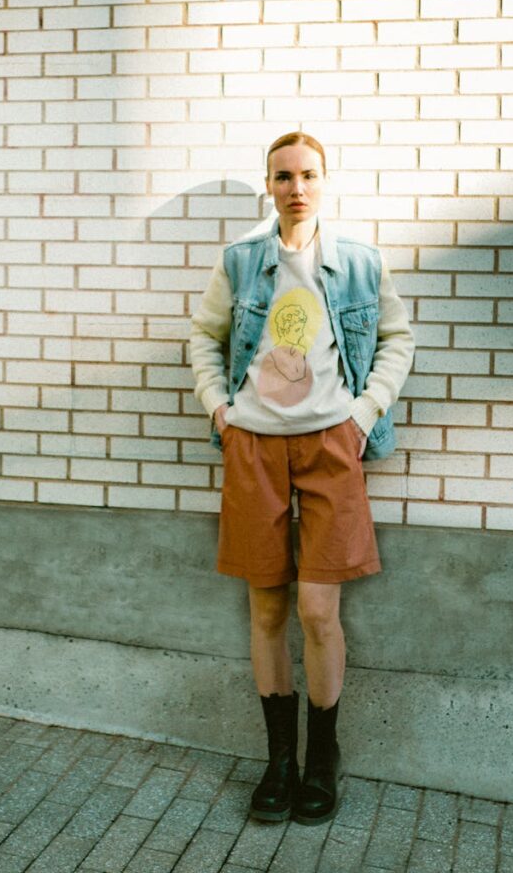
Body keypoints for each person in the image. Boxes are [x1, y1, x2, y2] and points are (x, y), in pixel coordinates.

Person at [189, 131, 414, 825]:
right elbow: (203, 335)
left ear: (324, 181)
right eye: (282, 176)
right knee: (266, 610)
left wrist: (361, 413)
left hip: (328, 446)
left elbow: (395, 338)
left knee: (318, 611)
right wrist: (221, 410)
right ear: (268, 184)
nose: (295, 187)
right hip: (252, 445)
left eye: (307, 174)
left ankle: (323, 758)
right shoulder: (240, 261)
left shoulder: (357, 263)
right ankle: (277, 762)